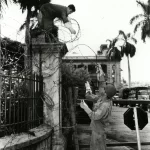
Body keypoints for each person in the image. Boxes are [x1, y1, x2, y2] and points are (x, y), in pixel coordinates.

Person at [80, 81, 116, 150]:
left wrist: (85, 108)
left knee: (98, 147)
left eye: (104, 89)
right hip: (96, 129)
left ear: (106, 93)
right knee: (94, 147)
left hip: (99, 131)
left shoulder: (105, 105)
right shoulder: (103, 98)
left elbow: (95, 116)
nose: (102, 90)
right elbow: (90, 97)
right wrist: (88, 88)